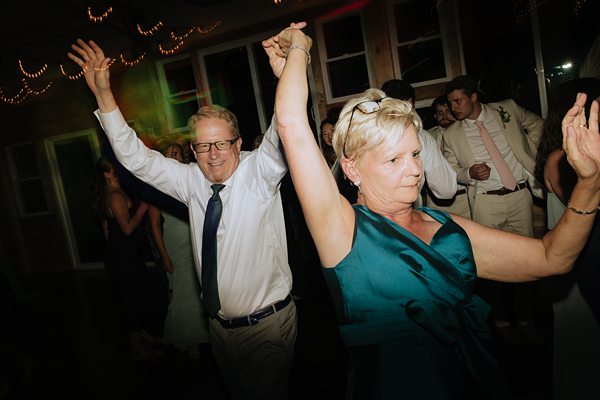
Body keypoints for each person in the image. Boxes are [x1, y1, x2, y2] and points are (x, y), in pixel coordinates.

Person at [267, 24, 600, 399]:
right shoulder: (341, 230)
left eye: (414, 154)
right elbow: (291, 122)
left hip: (473, 380)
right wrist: (300, 49)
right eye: (393, 159)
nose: (413, 169)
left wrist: (589, 182)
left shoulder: (447, 227)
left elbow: (552, 256)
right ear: (353, 169)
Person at [69, 23, 304, 398]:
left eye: (222, 144)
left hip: (266, 327)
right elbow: (136, 158)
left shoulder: (260, 172)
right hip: (219, 330)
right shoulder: (191, 180)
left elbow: (286, 127)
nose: (212, 154)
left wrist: (292, 64)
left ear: (238, 143)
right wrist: (104, 93)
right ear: (192, 149)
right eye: (202, 146)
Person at [442, 75, 545, 345]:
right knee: (491, 265)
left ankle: (526, 321)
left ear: (474, 97)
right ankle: (502, 323)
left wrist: (531, 152)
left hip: (520, 196)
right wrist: (468, 173)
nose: (453, 108)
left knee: (526, 262)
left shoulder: (507, 109)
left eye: (457, 101)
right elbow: (450, 171)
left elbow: (538, 125)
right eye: (450, 103)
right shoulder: (450, 134)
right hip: (486, 202)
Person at [534, 77, 600, 400]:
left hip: (584, 259)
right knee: (583, 345)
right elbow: (585, 209)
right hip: (577, 261)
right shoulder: (561, 159)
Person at [89, 155, 164, 361]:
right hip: (123, 260)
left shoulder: (115, 191)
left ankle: (143, 336)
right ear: (107, 174)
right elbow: (128, 228)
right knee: (131, 302)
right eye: (115, 168)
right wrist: (142, 207)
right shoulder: (113, 195)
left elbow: (107, 229)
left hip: (124, 256)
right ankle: (137, 349)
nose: (120, 169)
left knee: (137, 297)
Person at [147, 143, 209, 360]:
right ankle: (188, 340)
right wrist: (164, 256)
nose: (175, 155)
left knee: (199, 287)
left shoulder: (192, 177)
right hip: (174, 241)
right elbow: (155, 224)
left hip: (195, 237)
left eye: (177, 152)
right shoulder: (156, 185)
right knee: (183, 290)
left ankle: (204, 335)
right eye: (170, 153)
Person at [380, 79, 457, 207]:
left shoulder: (366, 134)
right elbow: (446, 190)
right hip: (406, 214)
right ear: (410, 102)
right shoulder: (422, 137)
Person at [426, 95, 471, 218]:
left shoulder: (465, 132)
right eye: (440, 113)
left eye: (447, 111)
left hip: (463, 198)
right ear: (435, 116)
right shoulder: (428, 136)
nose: (444, 116)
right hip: (435, 200)